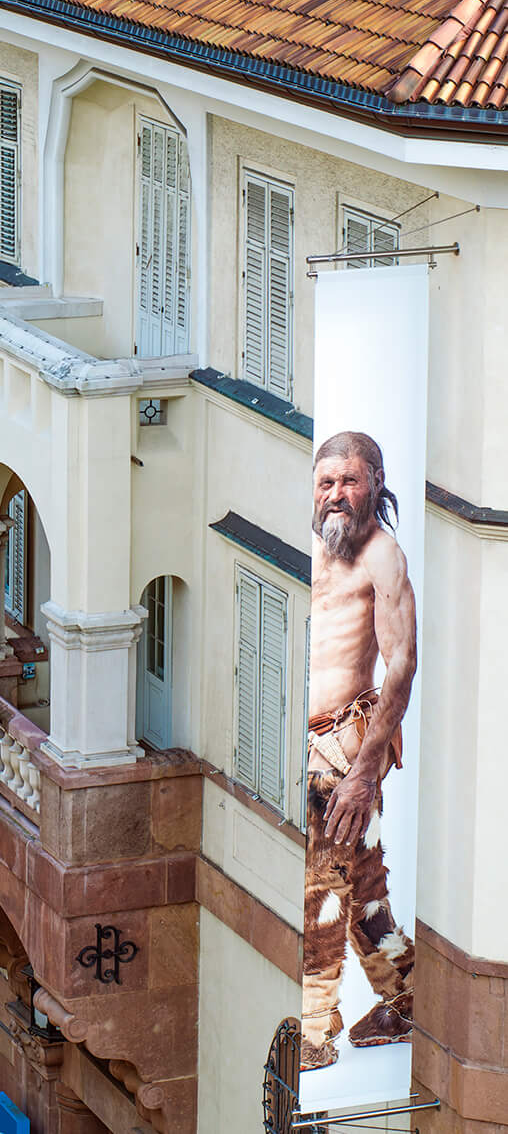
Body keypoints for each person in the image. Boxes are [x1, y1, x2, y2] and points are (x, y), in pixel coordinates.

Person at [302, 429, 418, 1071]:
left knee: (320, 887)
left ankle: (316, 1029)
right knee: (361, 882)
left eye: (349, 481)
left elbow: (401, 665)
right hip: (300, 745)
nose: (337, 495)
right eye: (326, 483)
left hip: (342, 753)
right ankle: (403, 997)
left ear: (375, 481)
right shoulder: (307, 544)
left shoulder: (383, 556)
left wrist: (364, 774)